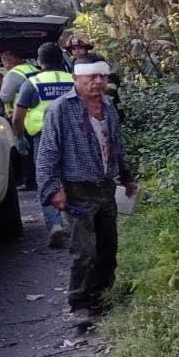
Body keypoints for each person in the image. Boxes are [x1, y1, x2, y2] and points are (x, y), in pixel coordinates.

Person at [37, 53, 136, 325]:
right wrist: (54, 190)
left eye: (103, 76)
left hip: (104, 187)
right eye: (91, 77)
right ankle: (79, 303)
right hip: (77, 190)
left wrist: (126, 177)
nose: (98, 82)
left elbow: (116, 146)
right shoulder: (60, 109)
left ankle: (102, 296)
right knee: (84, 251)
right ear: (76, 79)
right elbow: (47, 154)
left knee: (108, 247)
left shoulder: (108, 107)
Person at [14, 43, 75, 248]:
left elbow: (18, 115)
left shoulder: (32, 82)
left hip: (44, 138)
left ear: (39, 61)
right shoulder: (73, 80)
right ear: (61, 60)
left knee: (47, 180)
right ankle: (76, 223)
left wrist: (20, 137)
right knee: (72, 178)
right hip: (73, 137)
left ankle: (55, 225)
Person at [0, 48, 40, 188]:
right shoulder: (34, 69)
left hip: (21, 117)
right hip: (37, 115)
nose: (4, 64)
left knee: (25, 152)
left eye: (4, 61)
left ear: (10, 61)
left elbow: (5, 97)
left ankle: (29, 181)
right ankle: (37, 179)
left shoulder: (13, 74)